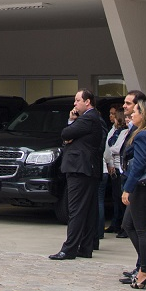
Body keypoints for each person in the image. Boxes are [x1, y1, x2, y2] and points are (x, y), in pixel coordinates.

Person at [50, 90, 105, 260]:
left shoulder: (89, 118)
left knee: (75, 209)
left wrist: (71, 122)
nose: (74, 104)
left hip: (80, 168)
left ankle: (69, 248)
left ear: (88, 102)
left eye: (77, 100)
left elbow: (66, 134)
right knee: (87, 210)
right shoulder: (93, 119)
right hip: (87, 168)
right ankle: (85, 246)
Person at [120, 98, 146, 290]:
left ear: (143, 115)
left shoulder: (143, 135)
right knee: (128, 224)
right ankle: (143, 265)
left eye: (135, 111)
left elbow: (139, 164)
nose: (132, 114)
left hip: (141, 186)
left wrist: (128, 188)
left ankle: (145, 269)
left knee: (141, 228)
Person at [100, 105, 129, 239]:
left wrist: (111, 153)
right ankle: (116, 223)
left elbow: (116, 148)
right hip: (113, 166)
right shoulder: (113, 130)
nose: (111, 117)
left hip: (120, 167)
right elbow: (109, 147)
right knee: (116, 197)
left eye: (114, 115)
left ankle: (124, 225)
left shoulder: (124, 131)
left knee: (121, 197)